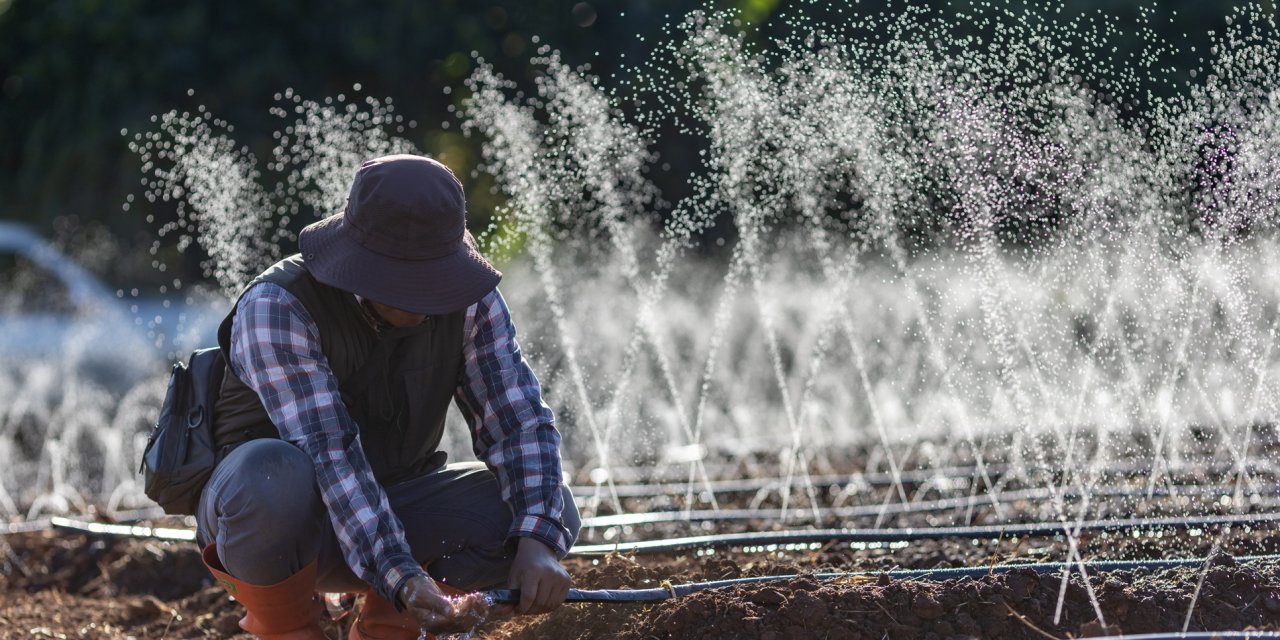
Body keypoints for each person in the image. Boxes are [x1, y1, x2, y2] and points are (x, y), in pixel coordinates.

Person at [196, 154, 581, 639]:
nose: (428, 296)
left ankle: (389, 628)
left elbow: (518, 420)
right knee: (270, 474)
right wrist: (399, 572)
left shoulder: (470, 300)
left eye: (437, 277)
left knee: (548, 509)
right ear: (361, 267)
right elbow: (330, 454)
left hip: (394, 505)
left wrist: (539, 538)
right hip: (276, 526)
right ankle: (289, 628)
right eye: (410, 282)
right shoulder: (278, 308)